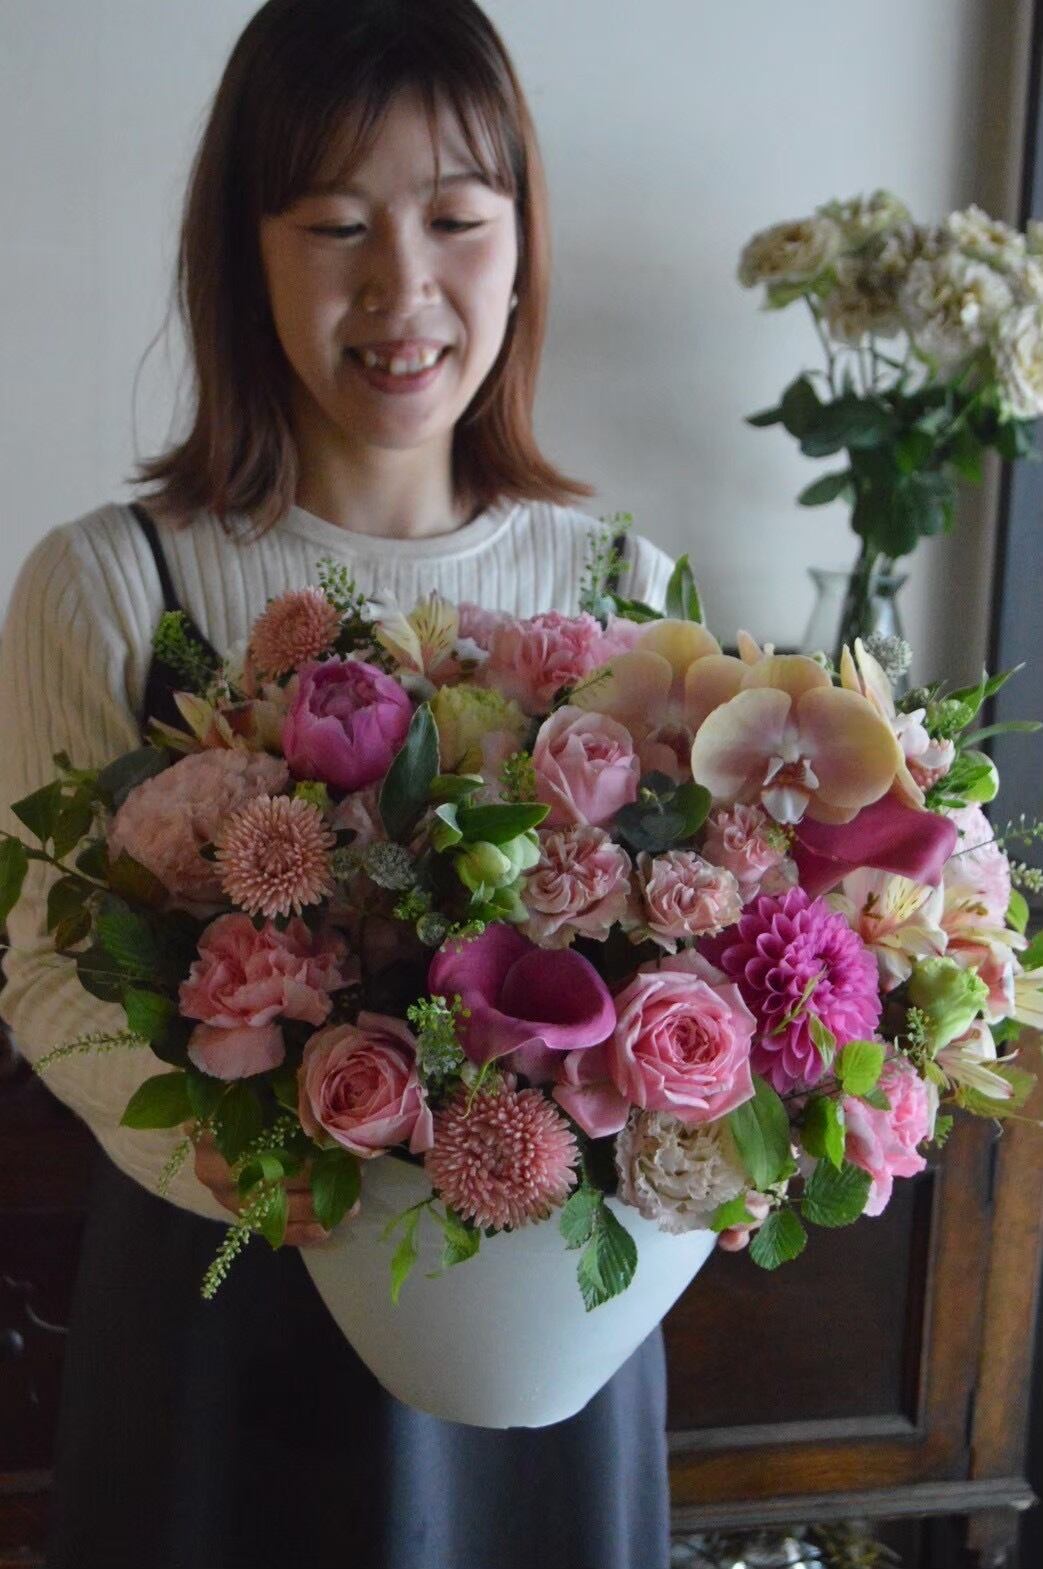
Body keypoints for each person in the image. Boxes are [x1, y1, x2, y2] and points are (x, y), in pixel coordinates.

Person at [0, 3, 680, 1566]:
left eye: (456, 218)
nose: (402, 288)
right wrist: (256, 1170)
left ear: (523, 240)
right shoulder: (115, 584)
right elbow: (42, 969)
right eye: (334, 225)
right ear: (242, 251)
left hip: (541, 1351)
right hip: (222, 1316)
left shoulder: (625, 589)